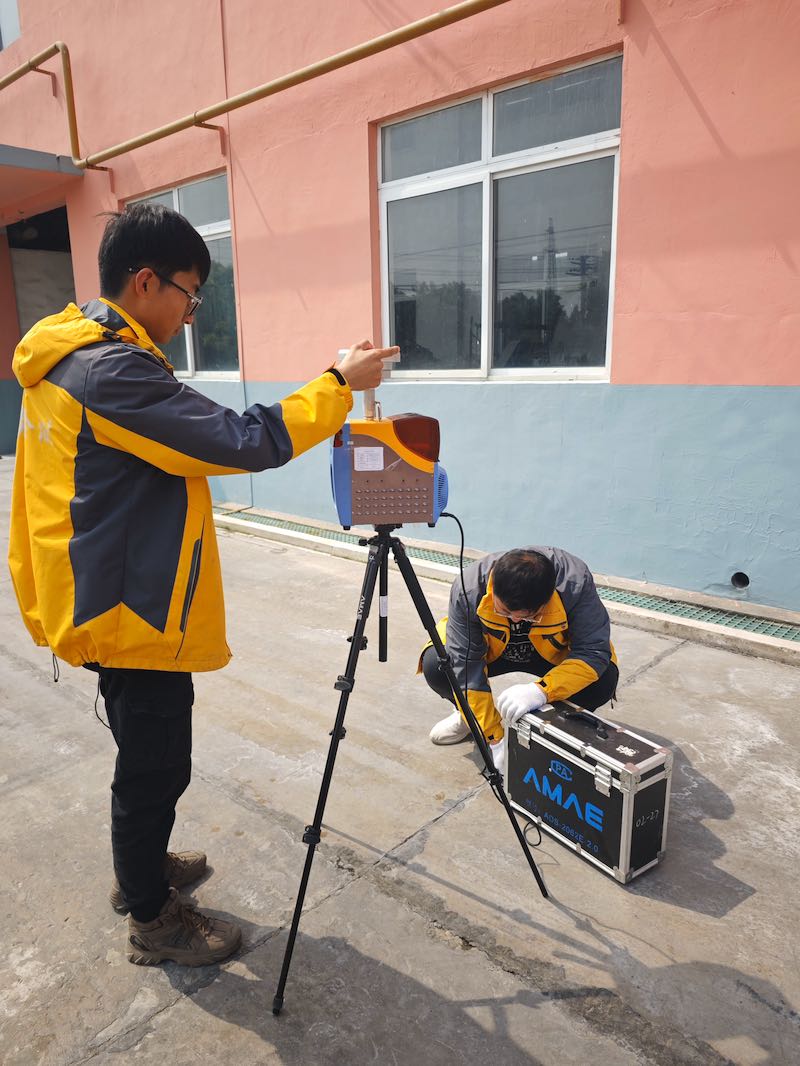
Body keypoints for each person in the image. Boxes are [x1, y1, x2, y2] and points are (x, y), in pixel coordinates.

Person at [7, 202, 398, 967]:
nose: (192, 313)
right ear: (146, 281)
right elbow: (242, 440)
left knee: (145, 758)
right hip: (128, 606)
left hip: (101, 588)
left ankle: (140, 870)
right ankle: (151, 917)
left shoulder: (70, 354)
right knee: (154, 768)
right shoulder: (110, 370)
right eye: (191, 292)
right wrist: (336, 383)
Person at [420, 547, 618, 774]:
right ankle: (468, 717)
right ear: (493, 588)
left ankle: (559, 725)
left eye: (529, 615)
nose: (515, 619)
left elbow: (592, 651)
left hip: (551, 652)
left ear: (549, 596)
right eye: (504, 610)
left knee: (602, 680)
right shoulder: (469, 587)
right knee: (438, 664)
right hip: (493, 650)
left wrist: (542, 691)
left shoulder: (575, 584)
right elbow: (464, 666)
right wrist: (494, 738)